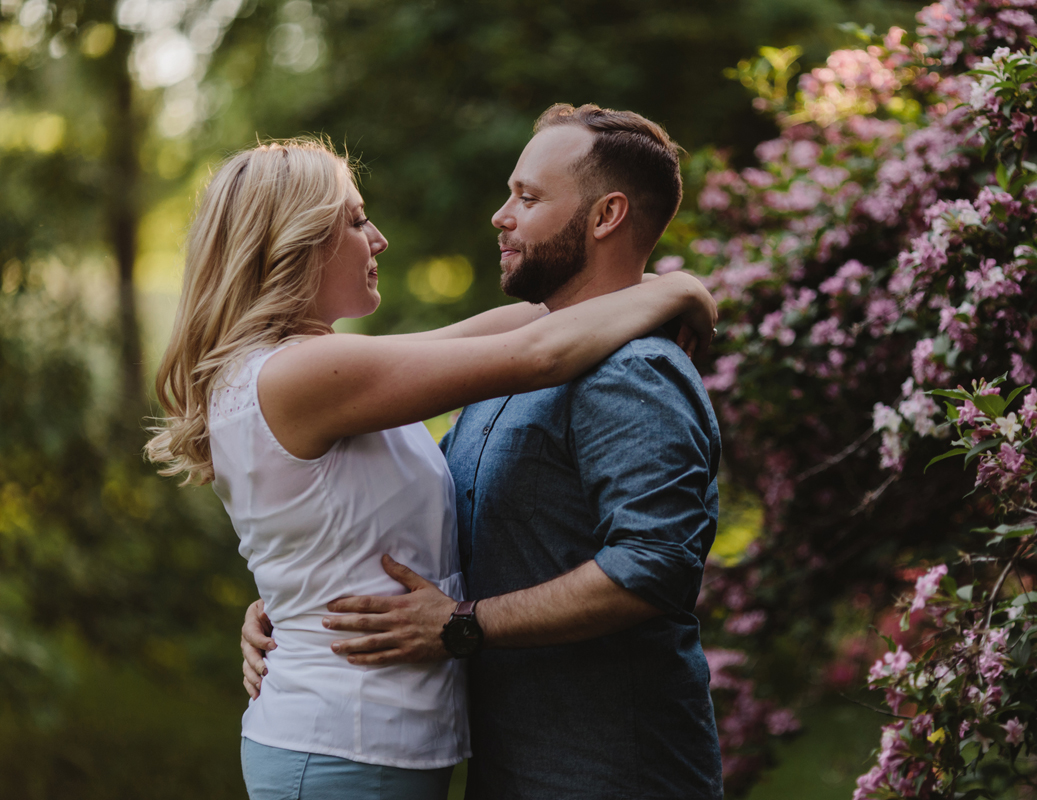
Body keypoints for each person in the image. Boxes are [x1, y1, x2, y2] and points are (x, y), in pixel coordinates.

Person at [146, 136, 717, 800]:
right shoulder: (307, 372)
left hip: (366, 740)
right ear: (297, 242)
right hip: (345, 742)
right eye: (355, 220)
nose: (378, 238)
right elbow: (536, 351)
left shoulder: (300, 363)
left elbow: (521, 324)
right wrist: (681, 288)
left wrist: (295, 597)